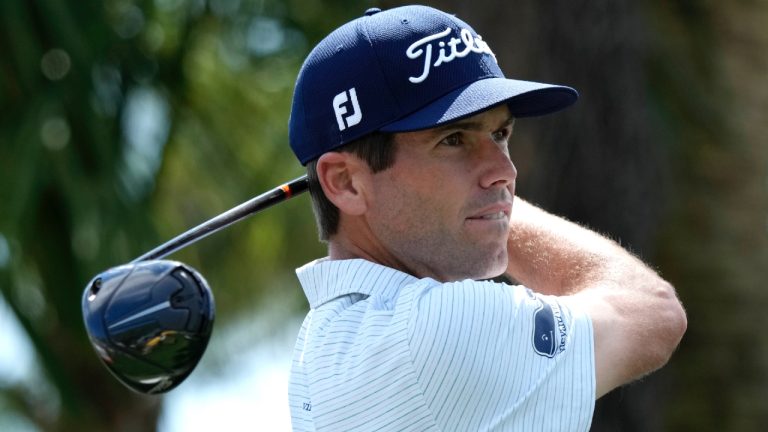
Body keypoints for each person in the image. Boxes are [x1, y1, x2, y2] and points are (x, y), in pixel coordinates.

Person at [286, 5, 686, 431]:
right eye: (453, 139)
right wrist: (496, 205)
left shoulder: (321, 343)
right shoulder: (439, 331)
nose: (506, 171)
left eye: (500, 134)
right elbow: (652, 311)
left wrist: (485, 202)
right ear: (345, 182)